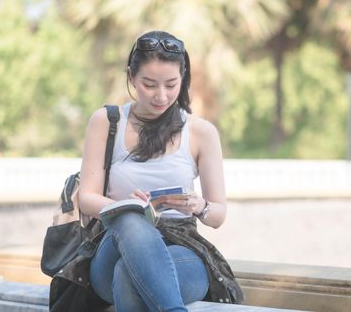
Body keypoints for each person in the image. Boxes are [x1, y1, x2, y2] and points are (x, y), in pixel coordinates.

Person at [78, 30, 243, 311]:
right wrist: (128, 205)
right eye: (149, 84)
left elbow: (217, 216)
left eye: (171, 84)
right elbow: (87, 198)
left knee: (129, 277)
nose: (161, 96)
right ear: (131, 76)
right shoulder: (107, 121)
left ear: (183, 77)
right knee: (130, 219)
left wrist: (198, 204)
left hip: (181, 246)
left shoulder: (201, 132)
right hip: (114, 244)